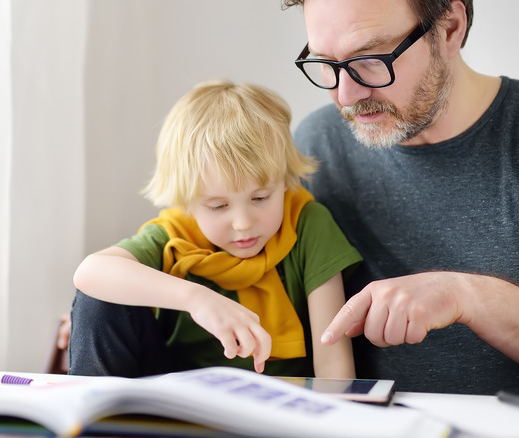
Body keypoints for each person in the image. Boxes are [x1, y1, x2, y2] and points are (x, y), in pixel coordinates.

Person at [282, 0, 519, 398]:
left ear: (449, 28)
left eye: (371, 59)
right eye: (326, 63)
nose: (346, 94)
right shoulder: (314, 148)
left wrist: (465, 296)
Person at [70, 79, 362, 379]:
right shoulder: (177, 234)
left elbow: (334, 366)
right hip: (175, 398)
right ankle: (94, 417)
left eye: (260, 198)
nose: (243, 222)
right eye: (218, 206)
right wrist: (196, 299)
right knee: (98, 298)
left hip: (280, 406)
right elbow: (90, 271)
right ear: (188, 204)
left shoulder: (307, 223)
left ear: (284, 182)